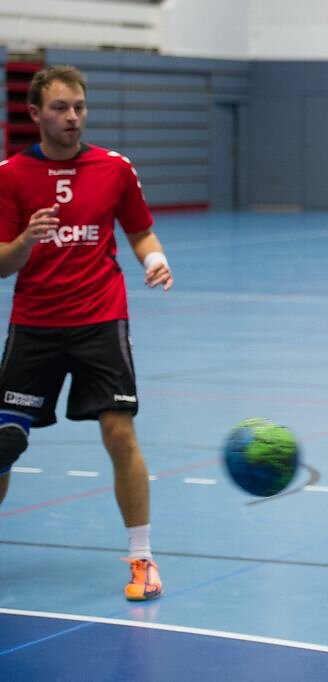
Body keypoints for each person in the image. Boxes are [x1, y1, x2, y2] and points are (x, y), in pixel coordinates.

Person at [0, 65, 173, 602]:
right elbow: (4, 266)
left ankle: (142, 558)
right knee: (4, 444)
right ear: (34, 115)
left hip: (101, 317)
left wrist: (156, 259)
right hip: (35, 322)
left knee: (119, 431)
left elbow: (140, 230)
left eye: (78, 106)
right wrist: (27, 240)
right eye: (59, 108)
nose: (72, 117)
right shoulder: (9, 176)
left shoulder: (114, 168)